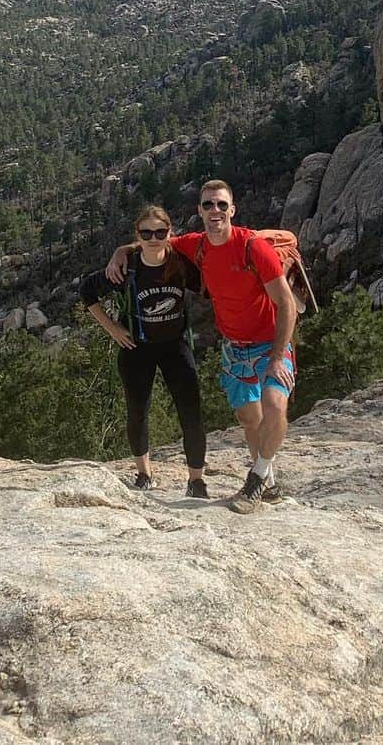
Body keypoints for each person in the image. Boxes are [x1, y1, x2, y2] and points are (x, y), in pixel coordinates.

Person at [106, 180, 297, 515]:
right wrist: (121, 251)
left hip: (269, 343)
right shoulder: (196, 245)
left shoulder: (253, 248)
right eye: (208, 205)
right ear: (199, 211)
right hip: (235, 347)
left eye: (222, 205)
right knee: (249, 420)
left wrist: (279, 356)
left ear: (232, 210)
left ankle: (255, 481)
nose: (215, 211)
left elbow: (287, 305)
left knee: (274, 405)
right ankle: (269, 480)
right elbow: (154, 239)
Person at [80, 204, 209, 498]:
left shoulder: (181, 264)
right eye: (146, 232)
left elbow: (211, 286)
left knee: (191, 413)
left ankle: (196, 480)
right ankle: (144, 473)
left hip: (175, 345)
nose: (153, 238)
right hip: (136, 347)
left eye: (160, 232)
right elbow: (87, 291)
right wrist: (112, 328)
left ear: (169, 233)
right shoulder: (127, 268)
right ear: (137, 235)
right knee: (137, 411)